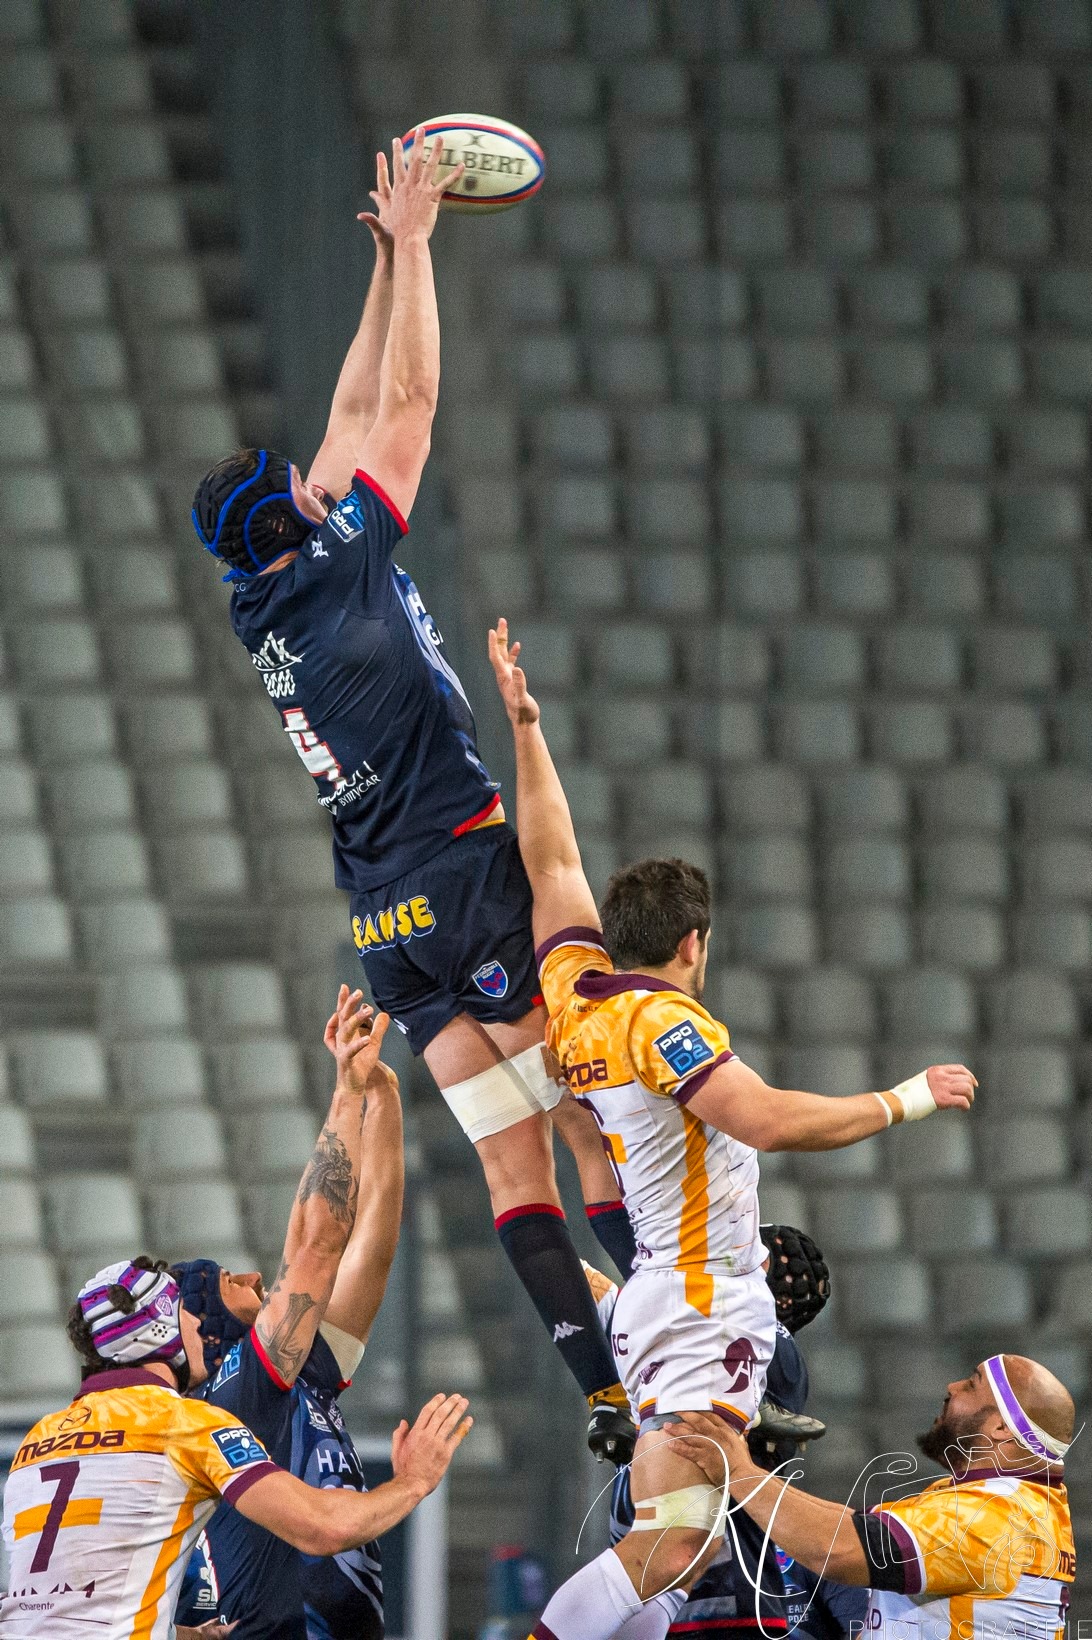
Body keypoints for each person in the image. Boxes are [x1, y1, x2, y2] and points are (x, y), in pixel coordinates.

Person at [190, 130, 635, 1462]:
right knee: (585, 1111)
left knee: (511, 1166)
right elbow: (408, 411)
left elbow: (341, 432)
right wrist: (428, 248)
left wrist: (387, 262)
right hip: (460, 873)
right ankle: (683, 1319)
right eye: (309, 493)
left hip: (390, 924)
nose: (323, 478)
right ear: (302, 518)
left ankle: (601, 1392)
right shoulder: (340, 565)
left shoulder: (264, 595)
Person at [486, 617, 977, 1639]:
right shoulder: (665, 1019)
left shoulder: (578, 998)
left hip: (670, 1291)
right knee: (676, 1542)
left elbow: (553, 860)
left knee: (681, 1535)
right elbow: (763, 1116)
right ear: (694, 943)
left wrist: (527, 730)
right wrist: (908, 1096)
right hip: (702, 1297)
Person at [0, 1256, 470, 1638]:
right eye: (180, 1307)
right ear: (161, 1329)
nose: (194, 1317)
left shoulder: (36, 1441)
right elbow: (323, 1529)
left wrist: (185, 1634)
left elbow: (67, 1603)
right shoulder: (183, 1422)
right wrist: (412, 1482)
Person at [173, 984, 404, 1638]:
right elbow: (319, 1243)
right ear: (203, 1328)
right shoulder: (223, 1398)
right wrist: (353, 1092)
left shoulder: (302, 1374)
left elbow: (376, 1249)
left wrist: (385, 1099)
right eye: (226, 1281)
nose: (251, 1275)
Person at [669, 1354, 1077, 1640]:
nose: (952, 1387)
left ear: (1002, 1429)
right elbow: (852, 1528)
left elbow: (840, 1549)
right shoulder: (1015, 1505)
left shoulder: (991, 1516)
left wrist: (740, 1473)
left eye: (971, 1385)